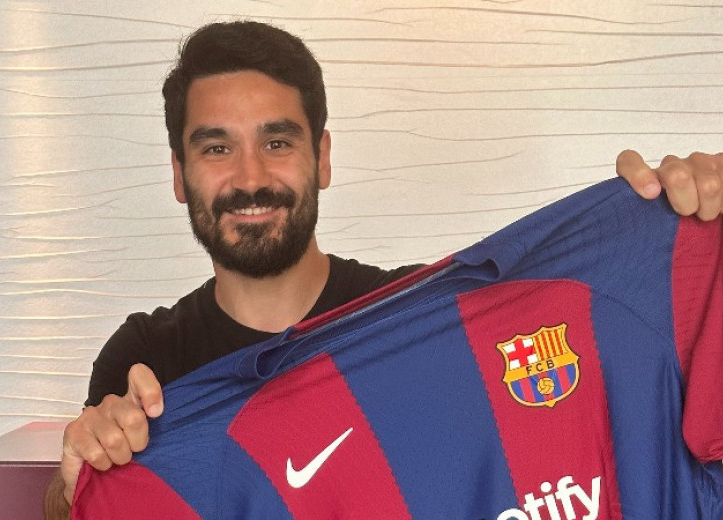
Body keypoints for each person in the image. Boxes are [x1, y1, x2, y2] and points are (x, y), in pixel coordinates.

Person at [43, 20, 723, 518]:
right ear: (179, 175)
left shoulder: (426, 316)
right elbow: (74, 509)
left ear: (323, 158)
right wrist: (80, 474)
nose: (250, 177)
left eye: (277, 141)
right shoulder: (146, 360)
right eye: (216, 148)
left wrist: (684, 236)